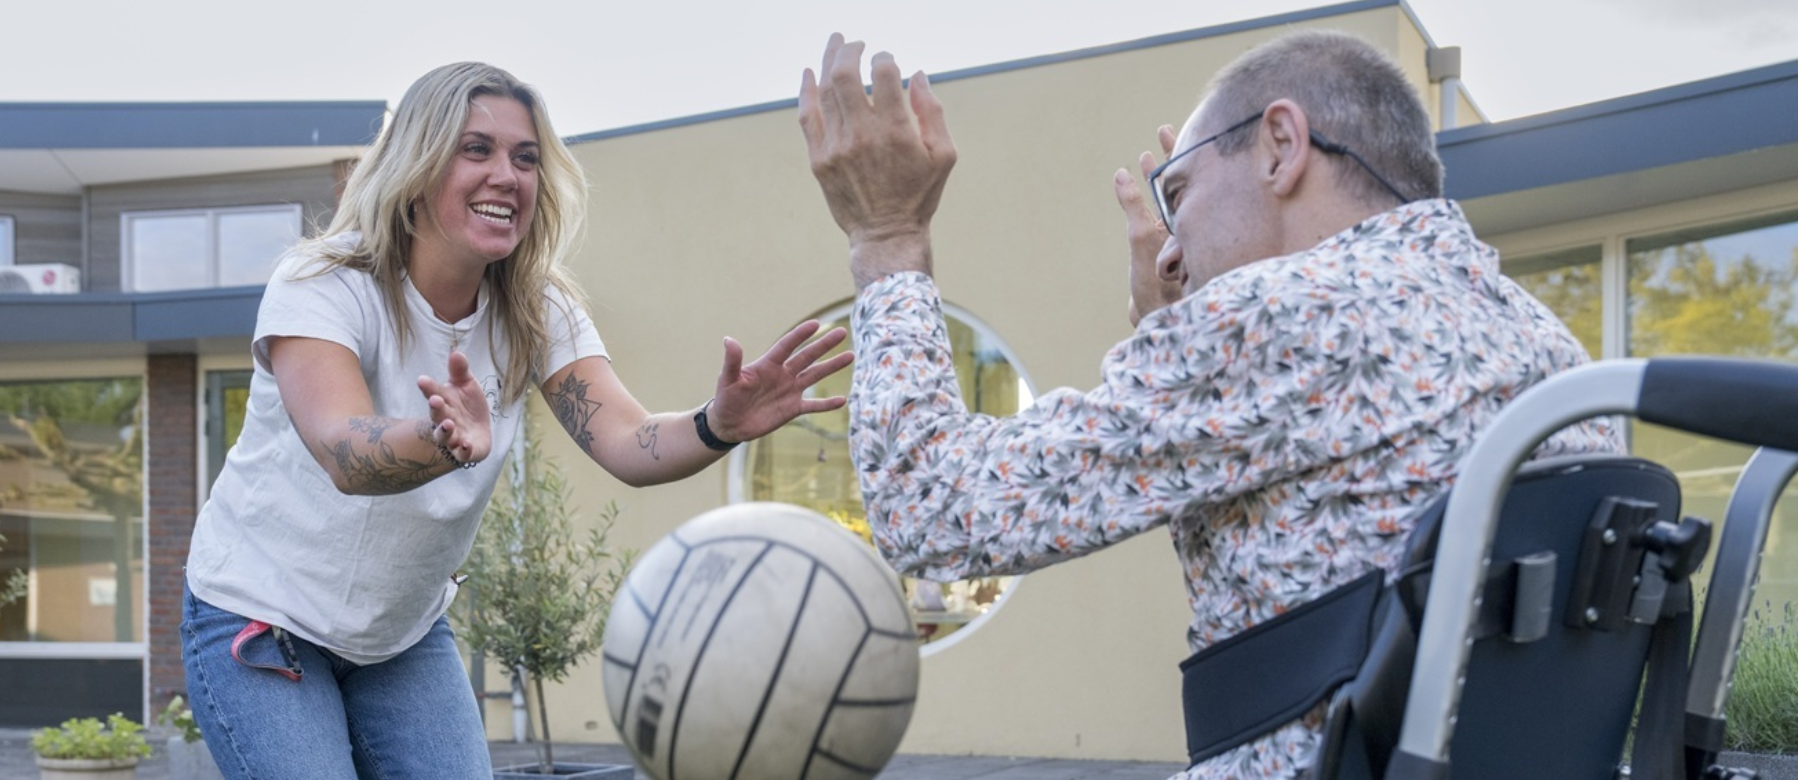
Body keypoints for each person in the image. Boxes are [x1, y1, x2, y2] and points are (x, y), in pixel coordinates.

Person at [798, 29, 1621, 779]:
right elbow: (1297, 555)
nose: (1171, 251)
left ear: (1280, 147)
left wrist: (888, 239)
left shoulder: (1285, 313)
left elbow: (930, 507)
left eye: (1180, 192)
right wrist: (1176, 335)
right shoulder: (1551, 349)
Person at [181, 61, 853, 780]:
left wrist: (717, 422)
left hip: (397, 638)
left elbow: (626, 442)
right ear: (416, 165)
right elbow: (343, 450)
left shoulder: (536, 309)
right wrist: (438, 441)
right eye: (477, 150)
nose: (508, 175)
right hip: (261, 615)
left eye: (525, 158)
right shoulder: (323, 283)